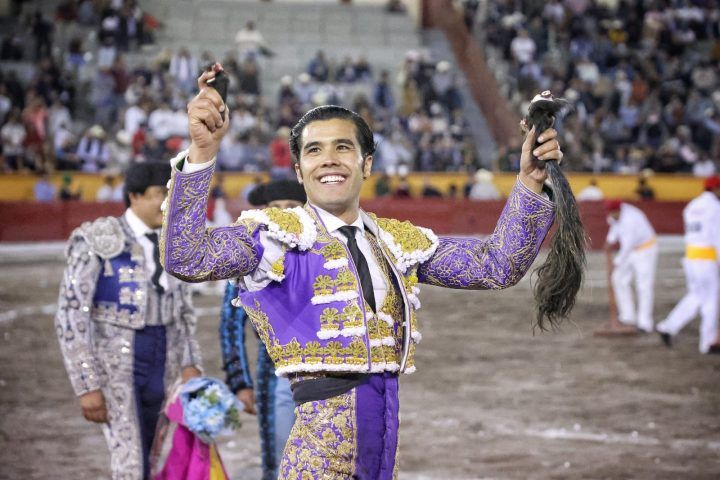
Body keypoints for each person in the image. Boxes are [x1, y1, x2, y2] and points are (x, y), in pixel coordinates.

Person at [160, 67, 561, 478]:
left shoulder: (395, 242)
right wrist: (202, 153)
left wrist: (530, 181)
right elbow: (187, 258)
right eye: (314, 150)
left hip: (383, 452)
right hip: (317, 456)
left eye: (342, 147)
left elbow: (496, 266)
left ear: (366, 164)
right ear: (298, 170)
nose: (329, 159)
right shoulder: (275, 237)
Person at [54, 162, 202, 479]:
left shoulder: (174, 242)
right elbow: (70, 315)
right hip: (118, 365)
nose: (168, 203)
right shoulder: (97, 239)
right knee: (131, 460)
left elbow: (184, 313)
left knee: (156, 456)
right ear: (134, 196)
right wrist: (86, 384)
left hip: (166, 360)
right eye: (160, 193)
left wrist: (191, 364)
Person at [220, 179, 306, 480]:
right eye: (276, 207)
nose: (283, 213)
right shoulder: (251, 254)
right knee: (280, 461)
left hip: (327, 372)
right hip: (275, 370)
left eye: (291, 206)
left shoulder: (324, 247)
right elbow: (231, 327)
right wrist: (240, 382)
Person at [656, 176, 720, 354]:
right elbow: (717, 237)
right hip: (707, 260)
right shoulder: (715, 208)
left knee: (696, 296)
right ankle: (708, 342)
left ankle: (667, 326)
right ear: (716, 189)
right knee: (710, 300)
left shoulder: (692, 206)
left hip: (691, 258)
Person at [604, 199, 658, 333]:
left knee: (643, 286)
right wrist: (610, 240)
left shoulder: (631, 219)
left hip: (645, 250)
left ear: (619, 210)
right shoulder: (614, 214)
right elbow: (614, 226)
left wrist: (615, 263)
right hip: (631, 251)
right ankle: (628, 316)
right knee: (618, 279)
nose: (611, 215)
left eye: (613, 213)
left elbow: (627, 245)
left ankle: (645, 323)